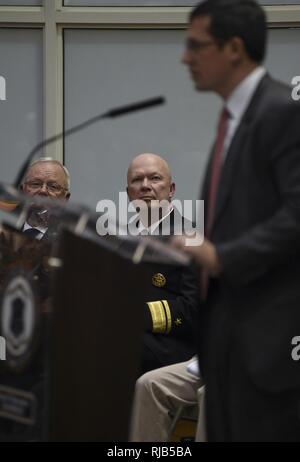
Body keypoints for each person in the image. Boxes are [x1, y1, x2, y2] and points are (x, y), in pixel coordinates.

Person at [168, 0, 300, 441]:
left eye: (196, 45)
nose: (185, 57)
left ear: (234, 49)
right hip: (224, 338)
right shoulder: (234, 119)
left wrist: (220, 255)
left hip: (267, 340)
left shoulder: (282, 110)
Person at [127, 153, 200, 374]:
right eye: (137, 180)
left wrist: (132, 314)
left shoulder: (192, 237)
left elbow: (191, 311)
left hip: (171, 345)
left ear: (171, 190)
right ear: (128, 193)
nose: (146, 186)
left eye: (155, 178)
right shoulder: (118, 238)